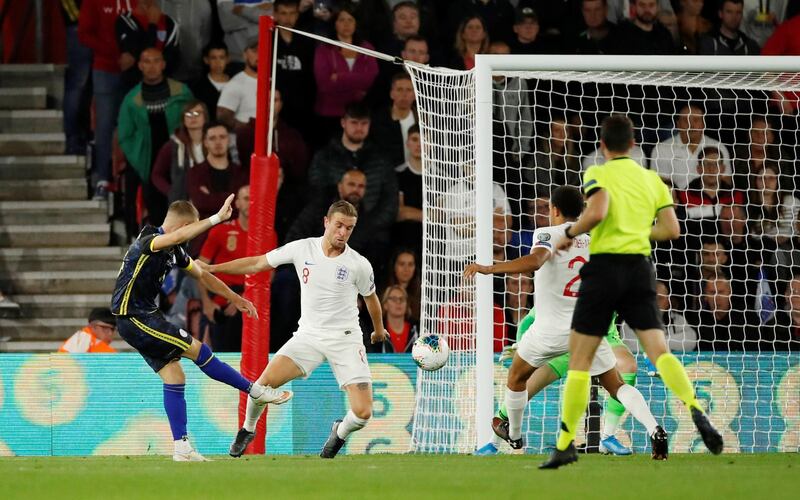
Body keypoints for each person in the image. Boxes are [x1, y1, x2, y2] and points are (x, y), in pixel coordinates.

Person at [541, 115, 723, 469]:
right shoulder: (652, 179)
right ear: (634, 142)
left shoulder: (598, 172)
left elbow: (598, 210)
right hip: (641, 270)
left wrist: (570, 232)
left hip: (606, 268)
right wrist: (638, 232)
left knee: (579, 360)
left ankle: (564, 444)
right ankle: (696, 408)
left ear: (603, 145)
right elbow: (671, 230)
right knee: (658, 352)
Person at [465, 186, 665, 459]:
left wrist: (489, 268)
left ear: (554, 210)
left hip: (549, 332)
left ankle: (513, 436)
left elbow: (536, 261)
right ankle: (654, 429)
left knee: (516, 377)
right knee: (616, 385)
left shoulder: (548, 234)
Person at [111, 196, 291, 461]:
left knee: (175, 377)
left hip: (144, 317)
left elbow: (203, 275)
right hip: (133, 317)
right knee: (197, 349)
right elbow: (173, 238)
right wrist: (217, 218)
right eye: (189, 229)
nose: (190, 237)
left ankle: (181, 448)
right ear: (182, 226)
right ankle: (254, 390)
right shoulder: (149, 241)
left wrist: (236, 298)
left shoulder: (175, 250)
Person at [204, 200, 386, 459]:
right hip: (308, 337)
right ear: (326, 222)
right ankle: (247, 429)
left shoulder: (358, 264)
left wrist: (378, 331)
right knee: (261, 386)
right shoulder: (303, 248)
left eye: (349, 228)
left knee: (363, 413)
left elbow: (372, 300)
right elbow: (257, 263)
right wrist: (213, 268)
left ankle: (339, 432)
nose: (343, 233)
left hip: (345, 340)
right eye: (339, 225)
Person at [118, 47, 194, 236]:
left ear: (163, 64)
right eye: (147, 61)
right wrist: (139, 159)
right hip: (146, 159)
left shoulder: (181, 92)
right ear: (140, 66)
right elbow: (125, 135)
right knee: (151, 202)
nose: (151, 66)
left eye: (155, 61)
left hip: (177, 157)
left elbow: (194, 114)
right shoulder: (131, 99)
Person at [78, 0, 136, 200]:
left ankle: (128, 180)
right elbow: (84, 34)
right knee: (104, 126)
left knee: (132, 126)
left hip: (135, 70)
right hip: (105, 69)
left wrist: (134, 55)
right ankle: (103, 178)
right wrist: (116, 53)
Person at [312, 6, 379, 145]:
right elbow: (324, 84)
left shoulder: (367, 48)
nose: (346, 24)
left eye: (350, 20)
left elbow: (370, 79)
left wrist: (340, 77)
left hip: (358, 115)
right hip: (329, 114)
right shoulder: (323, 50)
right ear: (334, 23)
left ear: (356, 24)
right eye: (342, 20)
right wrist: (357, 81)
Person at [198, 185, 251, 352]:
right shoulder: (221, 231)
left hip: (250, 297)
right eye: (246, 198)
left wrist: (241, 298)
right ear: (237, 204)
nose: (251, 203)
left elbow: (269, 275)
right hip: (219, 295)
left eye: (254, 199)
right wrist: (206, 303)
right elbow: (198, 268)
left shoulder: (268, 234)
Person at [650, 103, 732, 190]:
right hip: (677, 202)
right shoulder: (661, 149)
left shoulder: (719, 147)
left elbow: (726, 186)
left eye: (696, 120)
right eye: (685, 120)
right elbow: (659, 188)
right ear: (678, 124)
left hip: (711, 202)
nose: (691, 125)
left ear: (703, 124)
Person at [274, 0, 317, 143]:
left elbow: (312, 75)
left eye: (292, 13)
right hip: (278, 106)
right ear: (275, 15)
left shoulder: (307, 41)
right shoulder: (269, 40)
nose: (288, 18)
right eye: (283, 13)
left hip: (303, 105)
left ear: (298, 14)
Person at [187, 122, 248, 221]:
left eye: (222, 137)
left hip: (234, 230)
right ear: (205, 142)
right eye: (212, 138)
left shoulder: (241, 172)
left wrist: (211, 197)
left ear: (228, 140)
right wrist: (232, 198)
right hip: (207, 232)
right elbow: (200, 203)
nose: (218, 142)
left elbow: (245, 204)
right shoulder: (195, 172)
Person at [115, 0, 180, 92]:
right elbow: (138, 56)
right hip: (133, 88)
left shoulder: (170, 23)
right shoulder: (125, 21)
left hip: (164, 88)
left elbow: (173, 59)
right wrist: (152, 25)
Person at [152, 100, 208, 204]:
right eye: (188, 114)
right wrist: (172, 192)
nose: (193, 117)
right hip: (182, 204)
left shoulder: (213, 142)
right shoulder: (173, 145)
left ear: (205, 117)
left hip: (209, 201)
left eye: (197, 113)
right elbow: (156, 174)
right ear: (183, 119)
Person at [61, 0, 93, 155]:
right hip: (79, 29)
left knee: (89, 86)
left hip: (99, 28)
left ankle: (84, 135)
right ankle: (73, 139)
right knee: (78, 84)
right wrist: (84, 19)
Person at [370, 72, 417, 168]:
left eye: (409, 90)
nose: (404, 95)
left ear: (415, 95)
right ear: (392, 94)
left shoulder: (424, 121)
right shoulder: (378, 121)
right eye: (399, 90)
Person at [161, 0, 213, 82]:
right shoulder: (156, 3)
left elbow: (205, 37)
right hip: (164, 72)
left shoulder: (201, 4)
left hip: (194, 70)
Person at [217, 37, 259, 131]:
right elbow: (223, 119)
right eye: (255, 51)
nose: (260, 55)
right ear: (245, 55)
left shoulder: (274, 81)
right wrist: (250, 130)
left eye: (264, 50)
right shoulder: (235, 84)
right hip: (244, 141)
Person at [393, 125, 423, 256]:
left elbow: (442, 215)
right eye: (415, 139)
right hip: (402, 241)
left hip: (433, 242)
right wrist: (430, 216)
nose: (419, 145)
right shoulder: (397, 175)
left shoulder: (439, 177)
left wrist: (410, 213)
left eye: (424, 140)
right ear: (407, 143)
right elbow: (400, 213)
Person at [610, 0, 676, 54]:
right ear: (634, 6)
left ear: (658, 7)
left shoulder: (664, 35)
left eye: (651, 5)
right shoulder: (621, 34)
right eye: (642, 5)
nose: (647, 10)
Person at [188, 41, 231, 121]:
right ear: (206, 60)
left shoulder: (237, 83)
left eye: (222, 57)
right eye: (213, 58)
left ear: (227, 59)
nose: (218, 62)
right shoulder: (197, 87)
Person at [372, 285, 418, 353]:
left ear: (407, 305)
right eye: (394, 299)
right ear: (385, 304)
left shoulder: (416, 329)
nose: (398, 302)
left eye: (402, 299)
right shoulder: (377, 331)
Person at [385, 248, 421, 324]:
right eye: (402, 264)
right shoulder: (384, 292)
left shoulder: (422, 295)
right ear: (394, 267)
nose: (406, 269)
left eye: (410, 264)